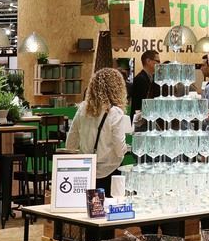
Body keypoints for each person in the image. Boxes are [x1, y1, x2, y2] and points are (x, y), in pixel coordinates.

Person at [64, 68, 130, 196]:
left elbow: (70, 144)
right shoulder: (115, 112)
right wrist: (126, 148)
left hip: (86, 170)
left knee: (88, 205)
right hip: (110, 170)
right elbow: (119, 149)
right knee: (110, 204)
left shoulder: (82, 109)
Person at [129, 50, 158, 117]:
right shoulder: (140, 79)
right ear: (148, 61)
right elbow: (138, 104)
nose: (159, 64)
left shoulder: (152, 78)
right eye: (157, 61)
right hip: (140, 118)